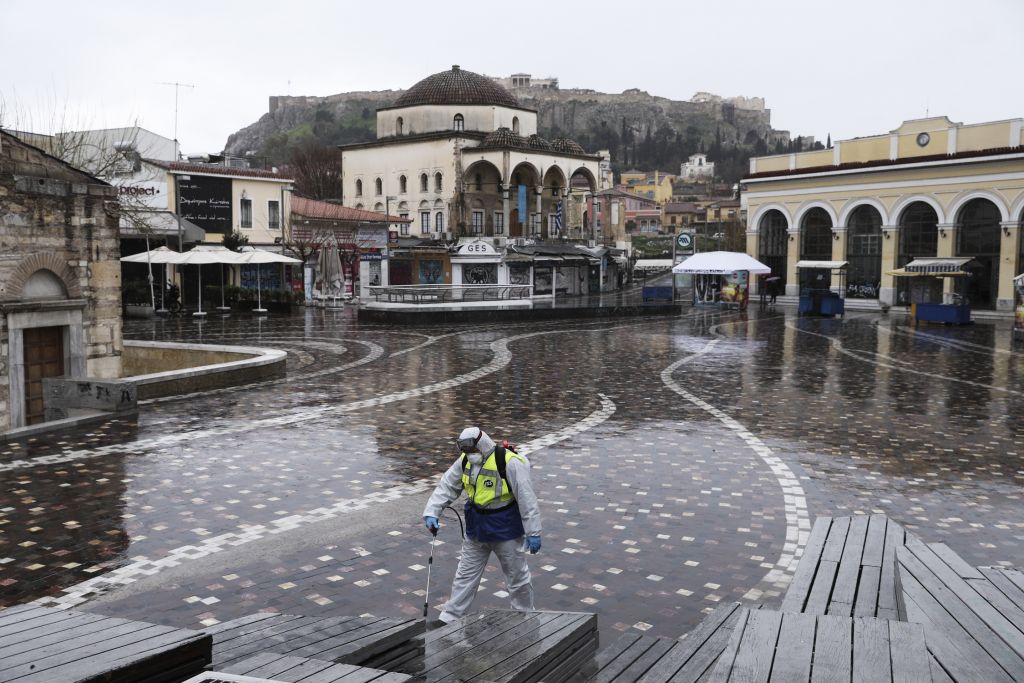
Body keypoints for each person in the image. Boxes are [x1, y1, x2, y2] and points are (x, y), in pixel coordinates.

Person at [423, 426, 542, 624]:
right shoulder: (464, 462)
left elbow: (526, 498)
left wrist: (534, 532)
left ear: (483, 444)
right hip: (476, 528)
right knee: (465, 575)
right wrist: (432, 512)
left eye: (473, 451)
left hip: (506, 529)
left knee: (517, 577)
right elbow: (447, 486)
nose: (471, 455)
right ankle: (450, 618)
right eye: (467, 452)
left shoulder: (510, 462)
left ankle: (524, 616)